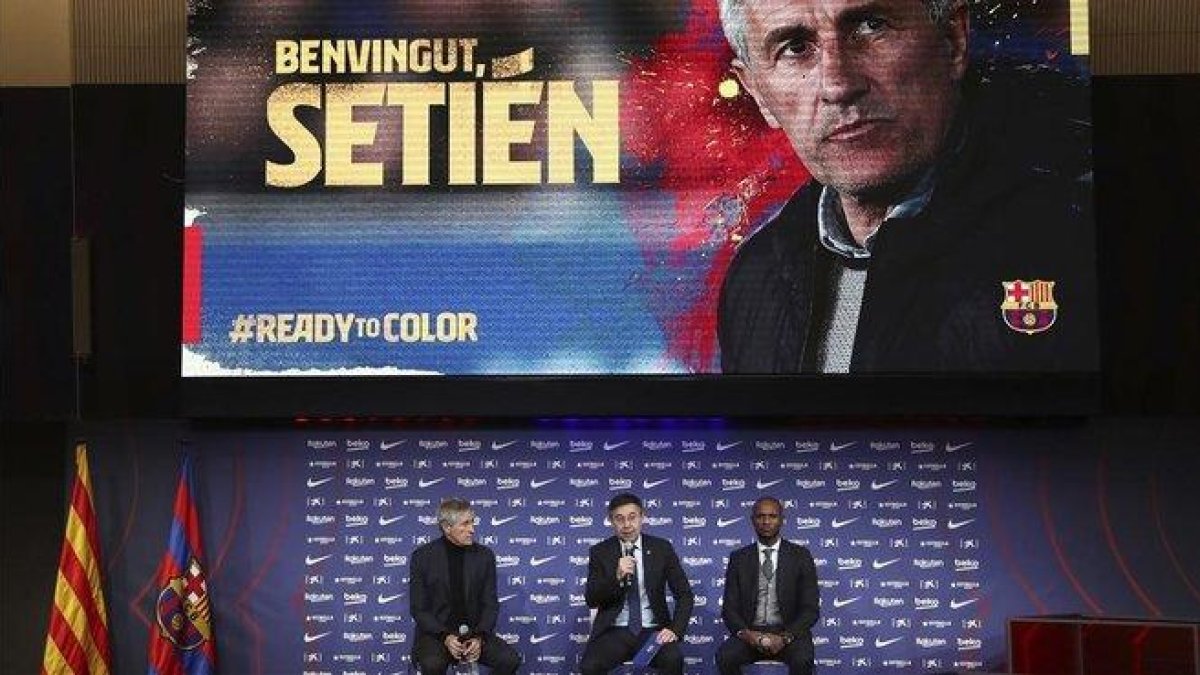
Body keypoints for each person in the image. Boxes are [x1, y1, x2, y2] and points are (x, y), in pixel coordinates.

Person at [717, 0, 1095, 373]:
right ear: (758, 93)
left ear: (953, 39)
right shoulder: (753, 282)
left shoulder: (1078, 241)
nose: (838, 85)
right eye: (795, 48)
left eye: (871, 26)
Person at [580, 493, 694, 675]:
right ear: (611, 521)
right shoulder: (600, 552)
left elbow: (685, 594)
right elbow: (592, 599)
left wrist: (674, 629)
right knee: (589, 666)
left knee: (673, 660)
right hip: (615, 631)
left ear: (642, 516)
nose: (626, 525)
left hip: (653, 632)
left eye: (632, 517)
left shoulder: (661, 548)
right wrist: (616, 577)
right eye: (620, 519)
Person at [408, 498, 521, 674]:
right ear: (447, 527)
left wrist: (479, 637)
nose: (472, 529)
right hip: (437, 635)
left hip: (475, 634)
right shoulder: (422, 557)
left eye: (472, 522)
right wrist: (445, 637)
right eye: (465, 524)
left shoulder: (484, 556)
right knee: (432, 664)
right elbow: (419, 609)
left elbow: (490, 604)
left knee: (510, 659)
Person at [716, 497, 819, 675]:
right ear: (752, 520)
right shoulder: (739, 558)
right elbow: (729, 608)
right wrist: (747, 635)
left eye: (772, 516)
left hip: (790, 634)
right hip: (751, 634)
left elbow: (810, 609)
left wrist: (785, 637)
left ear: (782, 520)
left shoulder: (800, 556)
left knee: (803, 660)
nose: (766, 521)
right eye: (760, 516)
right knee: (725, 656)